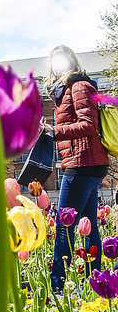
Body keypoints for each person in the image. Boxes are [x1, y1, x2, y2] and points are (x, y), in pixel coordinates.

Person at [44, 45, 107, 291]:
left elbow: (89, 124)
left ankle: (59, 285)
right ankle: (97, 281)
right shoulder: (66, 90)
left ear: (71, 61)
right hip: (84, 162)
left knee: (64, 225)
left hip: (83, 163)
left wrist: (54, 131)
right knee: (89, 223)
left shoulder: (80, 86)